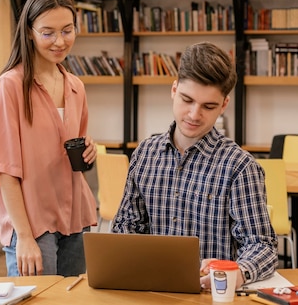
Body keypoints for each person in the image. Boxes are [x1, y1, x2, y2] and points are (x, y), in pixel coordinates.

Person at [111, 41, 278, 290]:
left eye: (208, 106)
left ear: (223, 105)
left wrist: (235, 273)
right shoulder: (145, 154)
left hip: (210, 293)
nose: (193, 114)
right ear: (174, 89)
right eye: (187, 99)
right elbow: (126, 226)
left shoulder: (240, 166)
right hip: (150, 290)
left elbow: (261, 246)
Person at [0, 0, 98, 277]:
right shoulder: (10, 87)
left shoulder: (76, 87)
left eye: (67, 30)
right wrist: (23, 236)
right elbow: (5, 170)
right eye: (48, 33)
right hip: (32, 225)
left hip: (76, 219)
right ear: (29, 32)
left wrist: (89, 151)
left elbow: (74, 155)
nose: (59, 41)